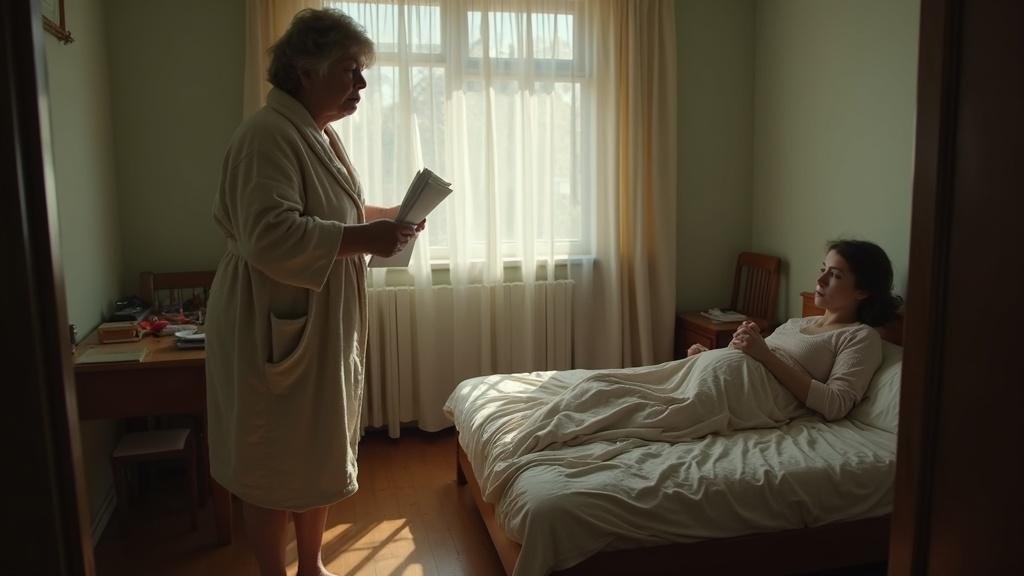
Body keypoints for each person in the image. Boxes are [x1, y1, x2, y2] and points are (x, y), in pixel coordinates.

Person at [205, 9, 421, 576]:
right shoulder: (267, 136)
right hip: (274, 322)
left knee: (318, 447)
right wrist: (367, 237)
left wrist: (387, 218)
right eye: (350, 70)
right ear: (305, 70)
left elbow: (334, 212)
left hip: (318, 319)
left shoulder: (317, 133)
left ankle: (312, 563)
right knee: (273, 459)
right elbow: (270, 234)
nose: (362, 85)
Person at [688, 239, 901, 421]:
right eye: (823, 269)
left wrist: (765, 355)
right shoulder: (797, 323)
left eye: (835, 275)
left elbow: (836, 404)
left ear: (862, 291)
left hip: (739, 399)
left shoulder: (860, 336)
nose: (820, 280)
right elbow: (752, 362)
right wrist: (711, 357)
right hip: (720, 382)